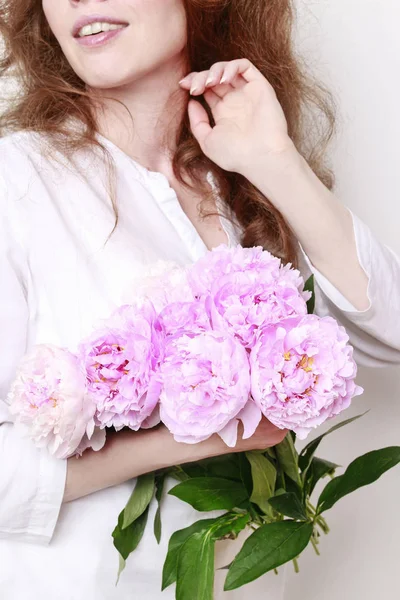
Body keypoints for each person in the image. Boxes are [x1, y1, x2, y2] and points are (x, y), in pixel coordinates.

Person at [0, 0, 399, 598]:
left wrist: (275, 161)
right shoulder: (17, 180)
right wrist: (202, 432)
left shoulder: (237, 191)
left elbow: (388, 336)